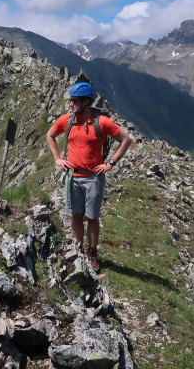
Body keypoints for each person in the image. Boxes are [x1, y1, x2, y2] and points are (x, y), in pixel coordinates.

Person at [46, 82, 131, 271]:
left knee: (92, 217)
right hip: (73, 177)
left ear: (86, 101)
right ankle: (78, 250)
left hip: (94, 178)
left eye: (74, 101)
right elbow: (50, 135)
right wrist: (57, 158)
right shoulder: (67, 120)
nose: (71, 105)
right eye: (70, 101)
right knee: (76, 215)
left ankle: (92, 253)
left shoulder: (102, 122)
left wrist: (111, 163)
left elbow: (126, 140)